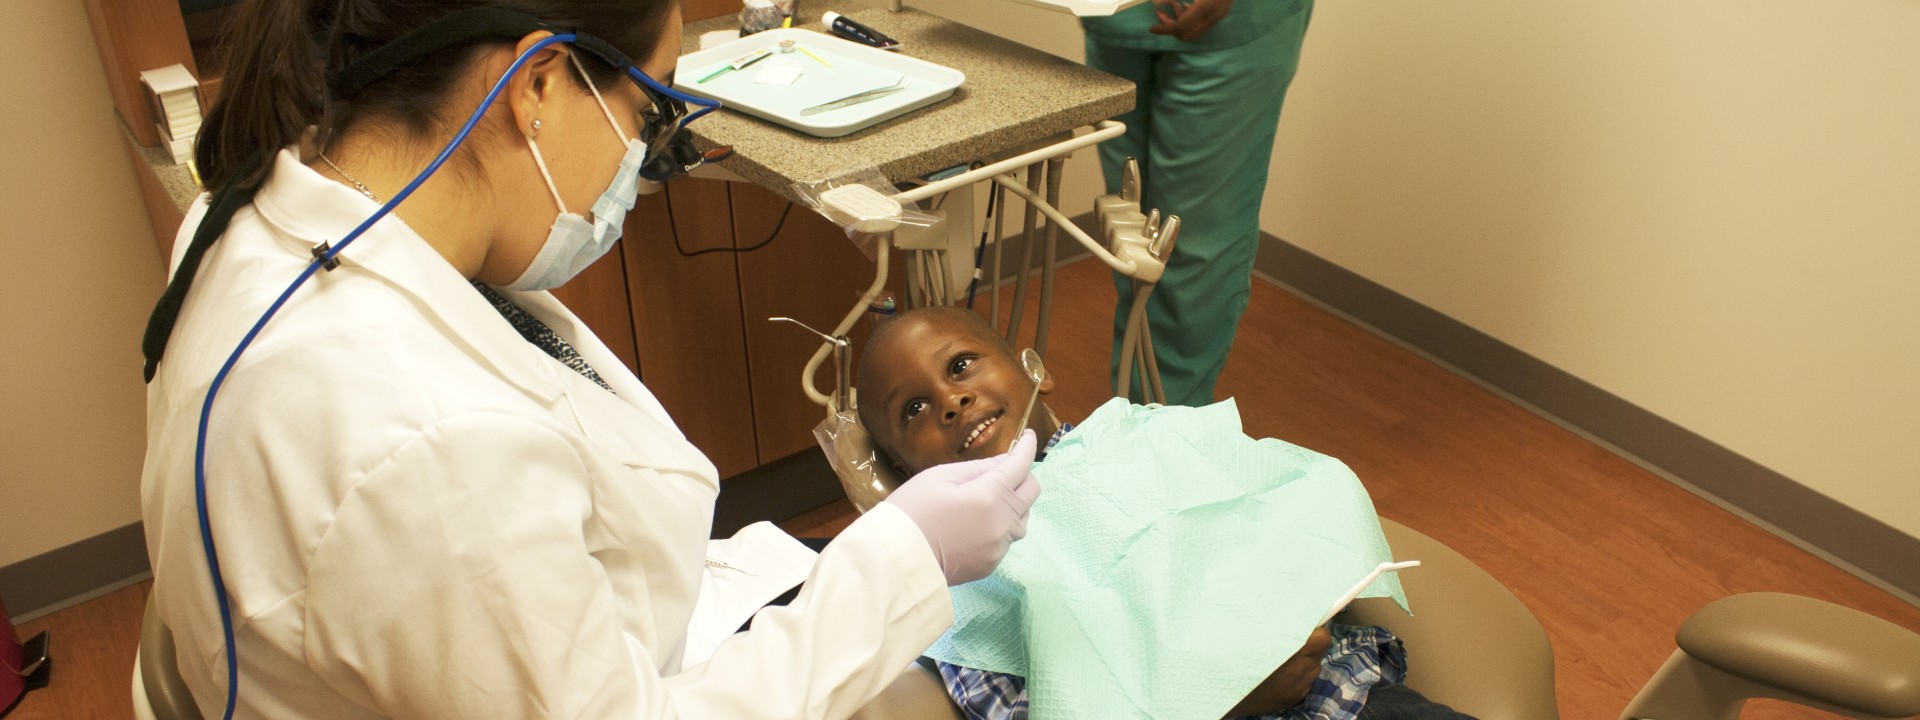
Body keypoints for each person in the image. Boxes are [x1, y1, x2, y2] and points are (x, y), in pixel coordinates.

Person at [137, 2, 1038, 718]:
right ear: (536, 84)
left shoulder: (278, 214)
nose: (646, 162)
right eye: (652, 112)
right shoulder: (419, 441)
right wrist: (904, 562)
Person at [855, 307, 1474, 720]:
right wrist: (1228, 700)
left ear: (1031, 369)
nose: (952, 400)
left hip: (1349, 700)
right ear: (901, 475)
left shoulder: (1147, 436)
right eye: (913, 409)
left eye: (961, 365)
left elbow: (1290, 502)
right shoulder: (960, 594)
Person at [1083, 0, 1314, 406]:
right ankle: (1130, 419)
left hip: (1232, 22)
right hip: (1113, 17)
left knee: (1191, 248)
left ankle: (1171, 432)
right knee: (1130, 239)